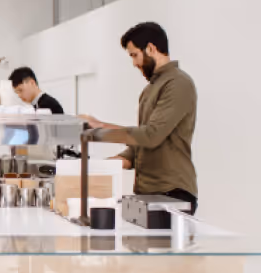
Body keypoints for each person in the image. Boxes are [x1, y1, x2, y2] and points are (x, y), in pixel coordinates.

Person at [80, 22, 199, 214]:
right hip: (146, 192)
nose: (134, 63)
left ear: (150, 48)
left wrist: (99, 130)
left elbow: (151, 135)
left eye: (134, 55)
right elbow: (141, 145)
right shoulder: (149, 90)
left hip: (172, 193)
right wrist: (104, 165)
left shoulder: (178, 83)